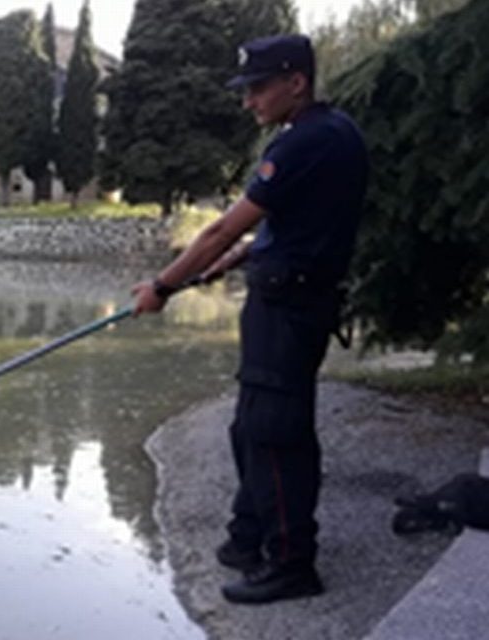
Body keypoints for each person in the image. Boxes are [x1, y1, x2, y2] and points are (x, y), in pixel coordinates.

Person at [130, 34, 370, 605]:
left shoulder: (305, 142)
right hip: (282, 301)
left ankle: (292, 563)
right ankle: (251, 534)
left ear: (296, 81)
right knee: (252, 424)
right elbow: (283, 228)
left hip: (289, 308)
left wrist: (162, 286)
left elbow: (221, 227)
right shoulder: (324, 133)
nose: (248, 101)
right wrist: (225, 266)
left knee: (276, 432)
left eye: (258, 87)